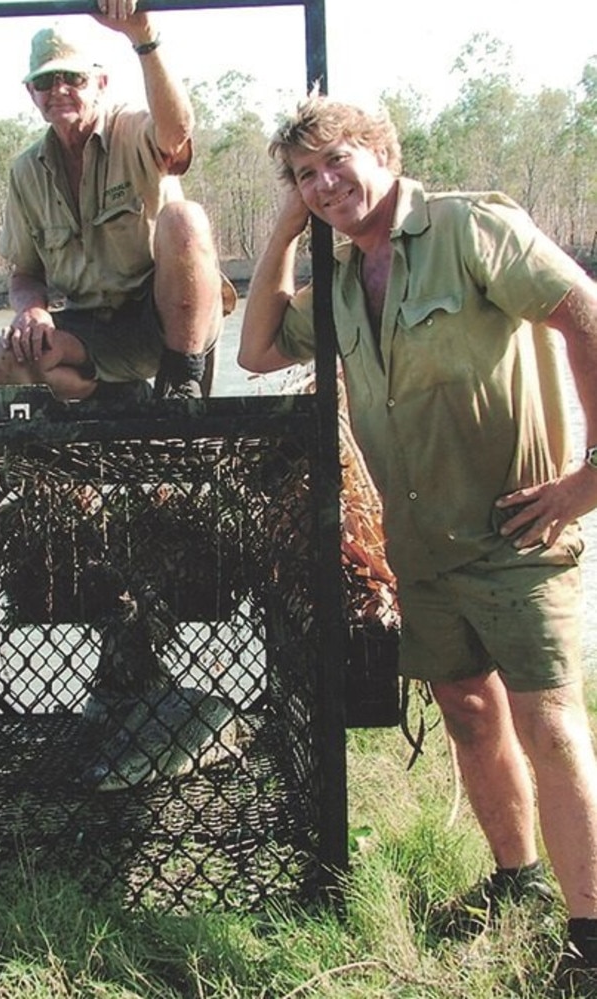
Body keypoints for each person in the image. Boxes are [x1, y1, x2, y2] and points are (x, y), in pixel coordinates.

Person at [238, 92, 597, 989]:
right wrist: (283, 232)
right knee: (470, 715)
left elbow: (584, 314)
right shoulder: (337, 277)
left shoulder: (472, 230)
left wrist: (591, 475)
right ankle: (517, 884)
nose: (326, 186)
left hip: (519, 532)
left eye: (337, 163)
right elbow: (253, 352)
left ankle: (591, 939)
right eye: (305, 178)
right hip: (421, 550)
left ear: (381, 150)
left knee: (549, 724)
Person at [0, 0, 235, 403]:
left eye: (73, 78)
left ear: (100, 83)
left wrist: (144, 38)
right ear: (30, 92)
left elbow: (176, 132)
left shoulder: (134, 130)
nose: (59, 91)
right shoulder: (25, 170)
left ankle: (181, 381)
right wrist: (31, 310)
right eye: (45, 82)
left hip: (167, 322)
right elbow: (25, 274)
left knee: (185, 218)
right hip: (92, 329)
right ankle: (120, 399)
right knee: (5, 360)